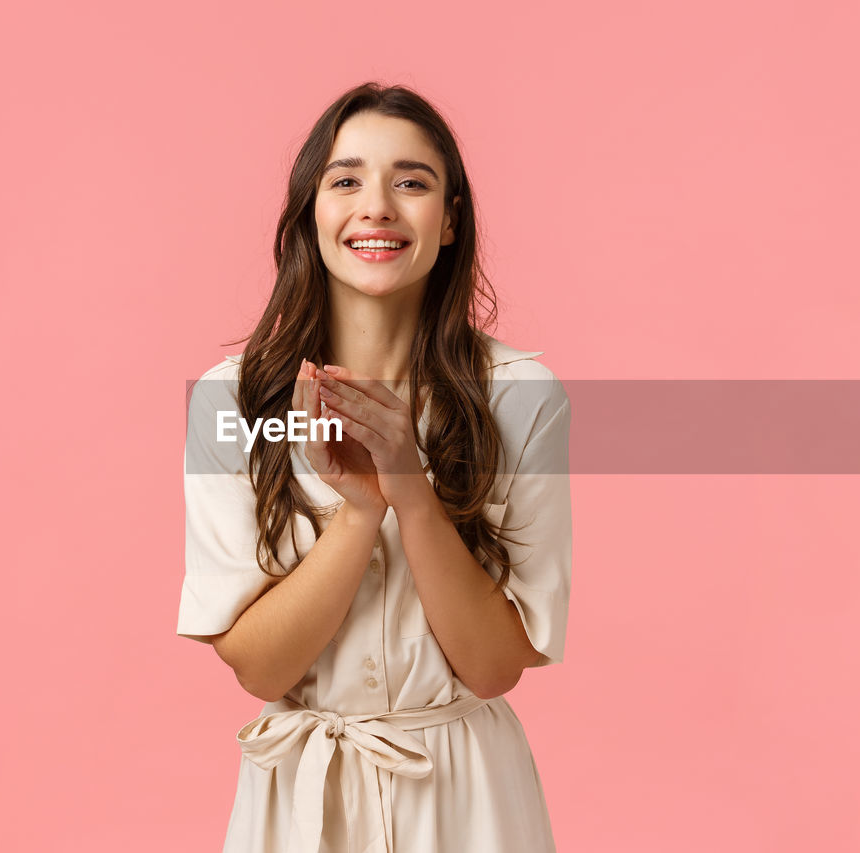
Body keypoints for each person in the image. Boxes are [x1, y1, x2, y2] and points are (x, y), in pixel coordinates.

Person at [179, 81, 573, 852]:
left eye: (413, 182)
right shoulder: (234, 400)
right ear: (311, 213)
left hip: (469, 805)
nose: (378, 206)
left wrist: (410, 491)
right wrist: (358, 514)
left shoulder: (523, 399)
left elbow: (495, 666)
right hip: (300, 805)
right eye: (347, 179)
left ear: (450, 219)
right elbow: (259, 667)